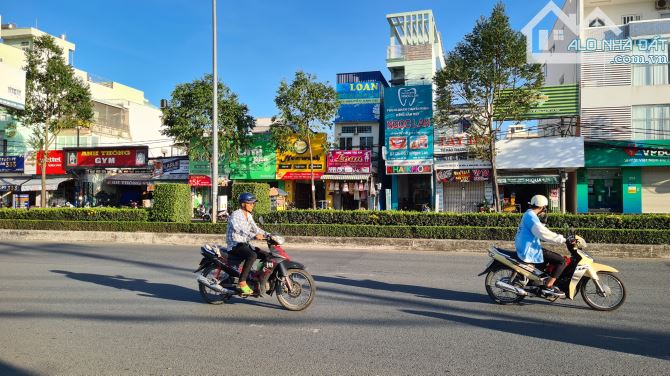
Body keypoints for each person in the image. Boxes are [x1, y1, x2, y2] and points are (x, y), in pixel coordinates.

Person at [514, 194, 569, 297]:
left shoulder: (529, 214)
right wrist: (563, 239)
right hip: (529, 249)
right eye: (545, 208)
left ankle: (537, 282)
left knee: (546, 260)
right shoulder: (531, 217)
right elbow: (543, 233)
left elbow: (538, 230)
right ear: (542, 207)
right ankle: (548, 286)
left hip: (525, 246)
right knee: (562, 261)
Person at [226, 192, 267, 295]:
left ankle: (257, 277)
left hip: (244, 244)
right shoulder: (235, 214)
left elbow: (256, 229)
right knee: (252, 255)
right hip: (235, 245)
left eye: (253, 203)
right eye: (251, 203)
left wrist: (270, 235)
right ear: (244, 204)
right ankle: (242, 281)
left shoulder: (249, 215)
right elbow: (239, 229)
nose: (253, 205)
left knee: (265, 255)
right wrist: (254, 236)